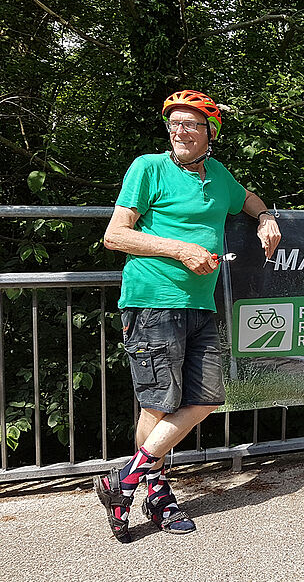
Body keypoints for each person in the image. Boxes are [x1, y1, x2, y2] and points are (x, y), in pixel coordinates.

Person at [96, 90, 281, 541]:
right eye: (174, 124)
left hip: (201, 304)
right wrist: (180, 249)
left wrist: (264, 217)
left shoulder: (218, 175)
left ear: (210, 133)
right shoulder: (148, 167)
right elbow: (115, 235)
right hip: (153, 301)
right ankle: (157, 494)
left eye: (190, 125)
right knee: (158, 404)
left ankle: (124, 479)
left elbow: (247, 198)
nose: (179, 132)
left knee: (207, 398)